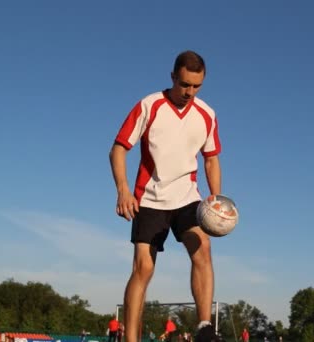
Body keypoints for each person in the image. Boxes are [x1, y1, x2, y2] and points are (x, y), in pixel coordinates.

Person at [109, 50, 223, 342]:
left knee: (203, 248)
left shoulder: (207, 115)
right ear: (173, 76)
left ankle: (204, 328)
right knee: (143, 268)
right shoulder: (150, 105)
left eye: (196, 86)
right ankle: (131, 339)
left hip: (187, 198)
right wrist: (123, 189)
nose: (190, 92)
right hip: (149, 198)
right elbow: (119, 148)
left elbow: (211, 159)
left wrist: (215, 198)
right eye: (185, 84)